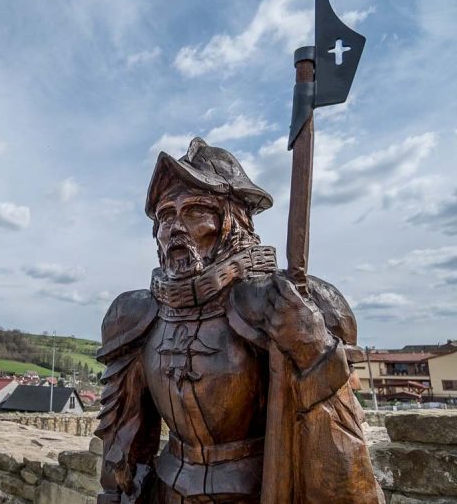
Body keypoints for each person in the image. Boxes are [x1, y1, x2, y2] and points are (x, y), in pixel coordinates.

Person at [95, 137, 383, 503]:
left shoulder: (287, 306)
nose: (176, 227)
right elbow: (124, 443)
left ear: (233, 221)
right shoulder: (135, 315)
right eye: (166, 215)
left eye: (196, 211)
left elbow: (343, 466)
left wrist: (315, 355)